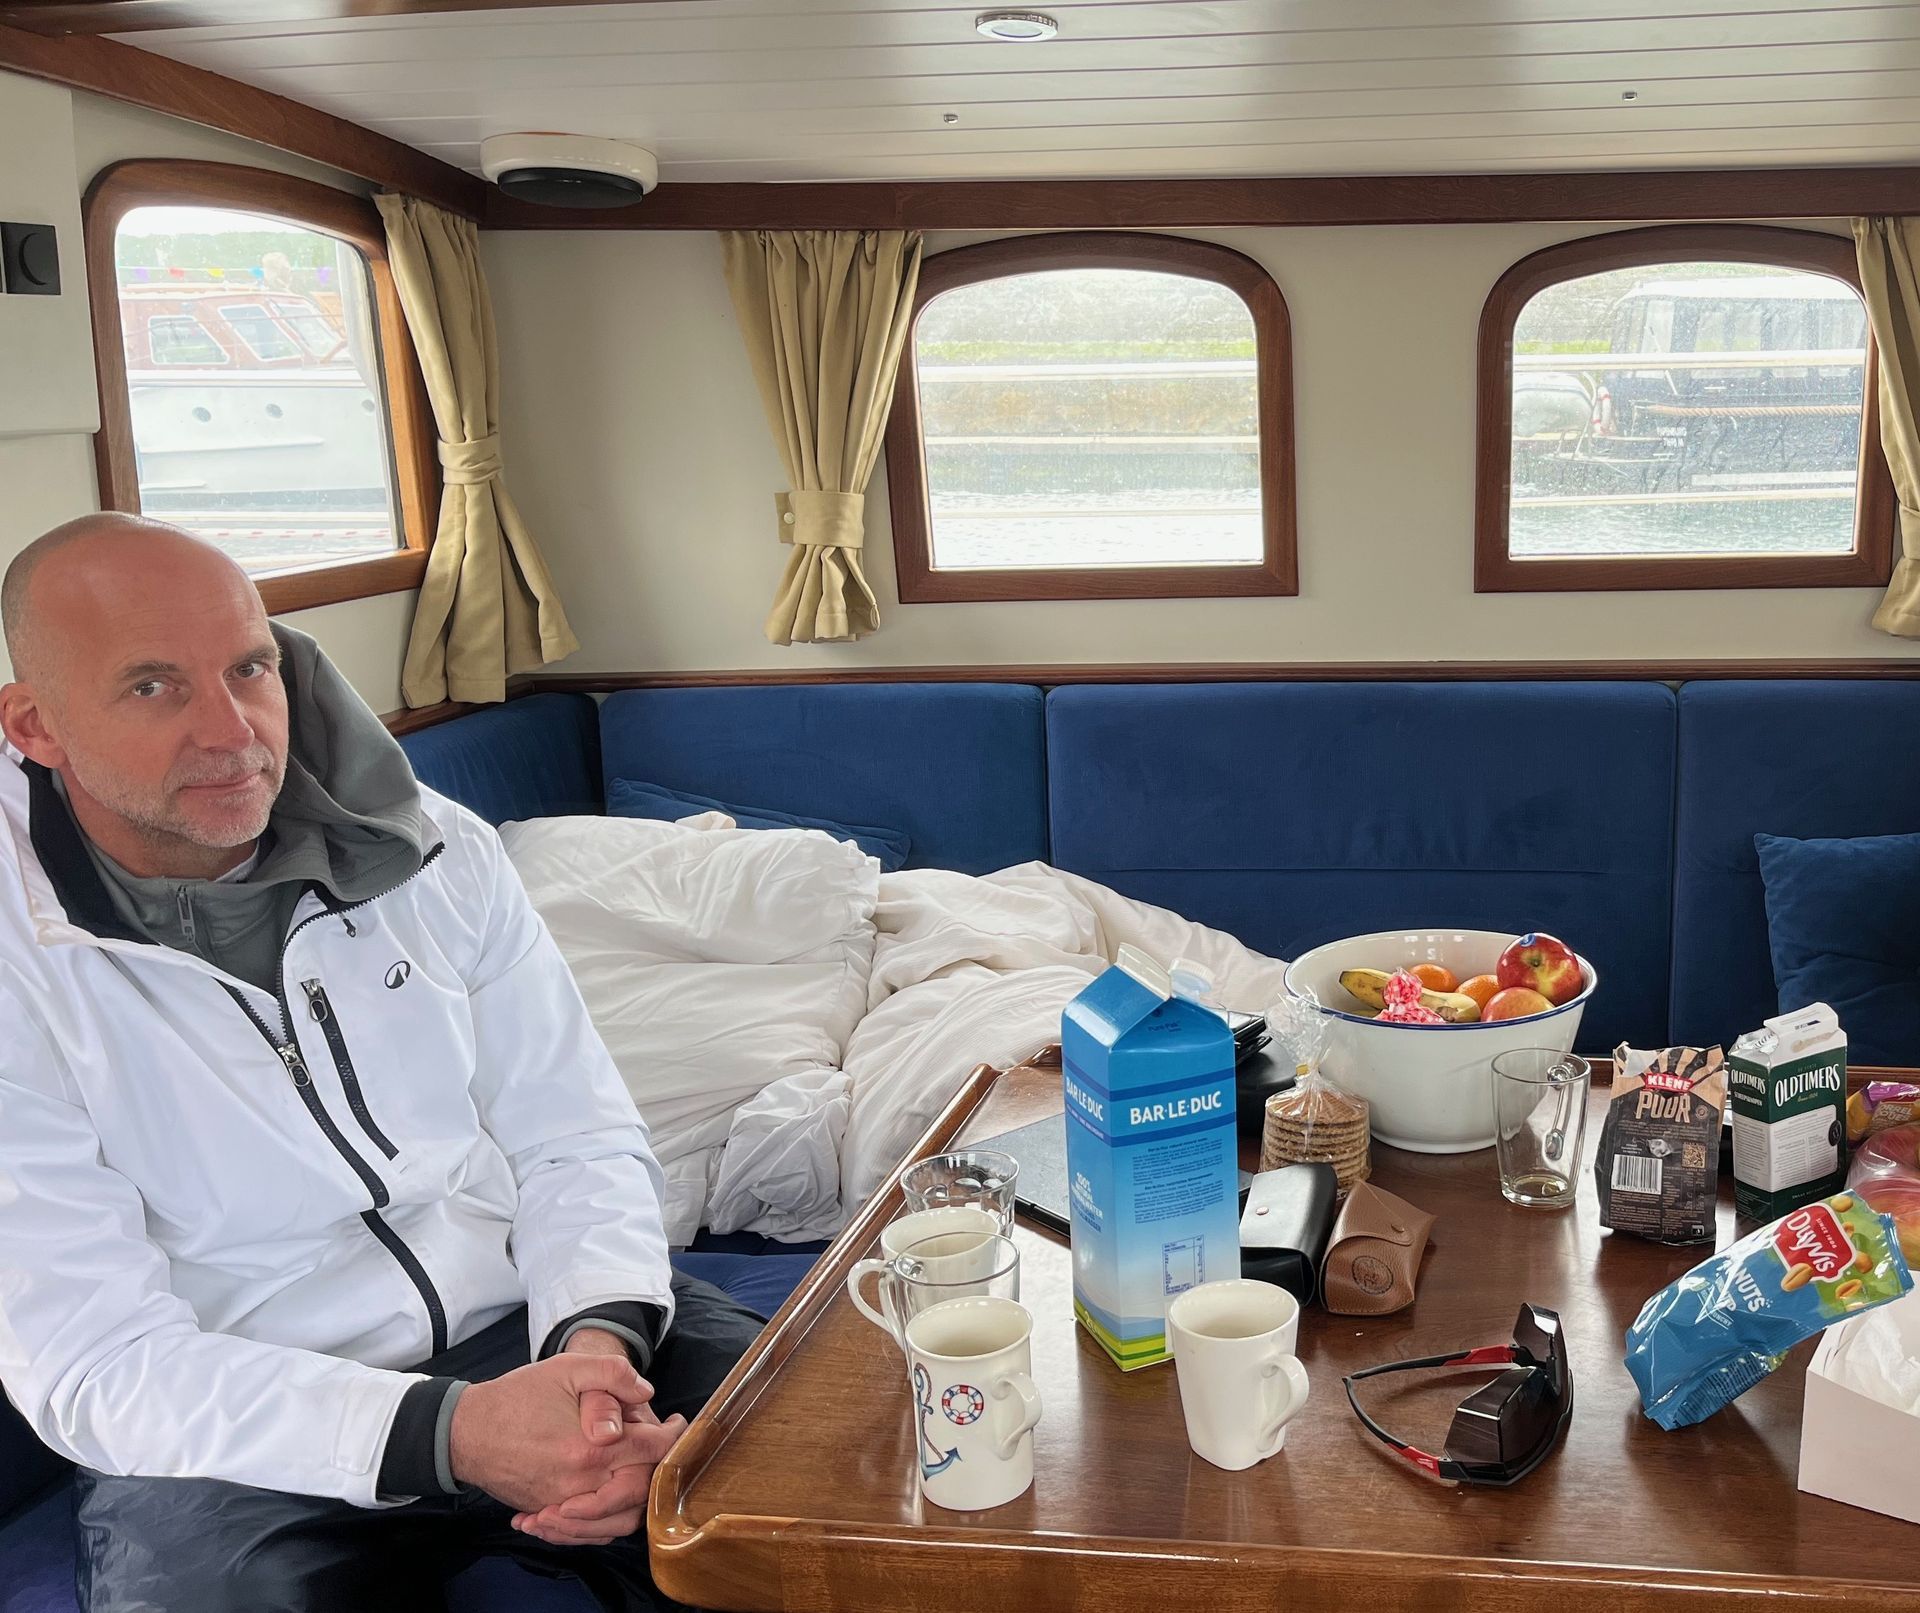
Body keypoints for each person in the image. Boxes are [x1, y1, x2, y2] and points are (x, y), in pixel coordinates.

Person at [0, 513, 766, 1612]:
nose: (233, 731)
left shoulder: (432, 845)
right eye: (153, 686)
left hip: (530, 1314)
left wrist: (597, 1348)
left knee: (834, 1459)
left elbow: (575, 1132)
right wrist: (453, 1432)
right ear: (36, 724)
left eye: (250, 667)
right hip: (241, 1417)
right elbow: (97, 1359)